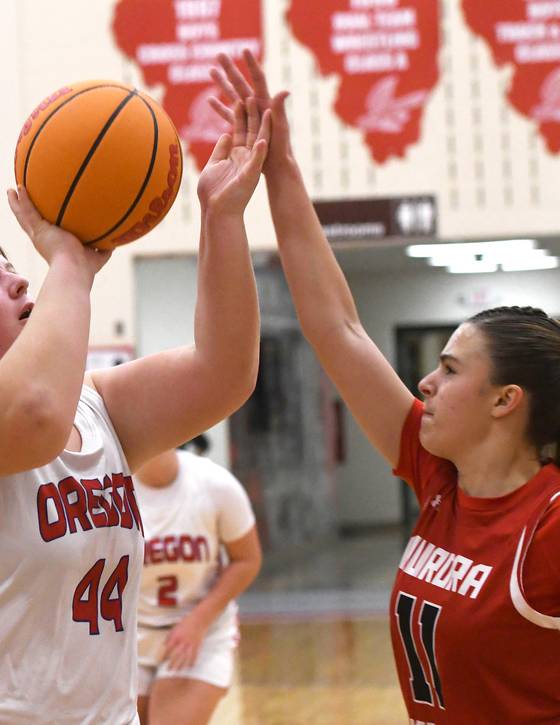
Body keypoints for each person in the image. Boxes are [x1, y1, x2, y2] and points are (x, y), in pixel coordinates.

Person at [0, 97, 271, 725]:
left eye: (15, 269)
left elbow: (225, 373)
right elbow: (32, 416)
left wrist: (222, 217)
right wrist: (69, 263)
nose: (19, 282)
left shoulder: (95, 409)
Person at [211, 51, 560, 723]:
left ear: (505, 400)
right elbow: (337, 327)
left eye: (452, 369)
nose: (426, 379)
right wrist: (278, 167)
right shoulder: (440, 478)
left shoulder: (546, 526)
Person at [133, 447, 261, 725]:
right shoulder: (110, 493)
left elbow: (247, 559)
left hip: (202, 633)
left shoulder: (215, 485)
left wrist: (199, 620)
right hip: (133, 637)